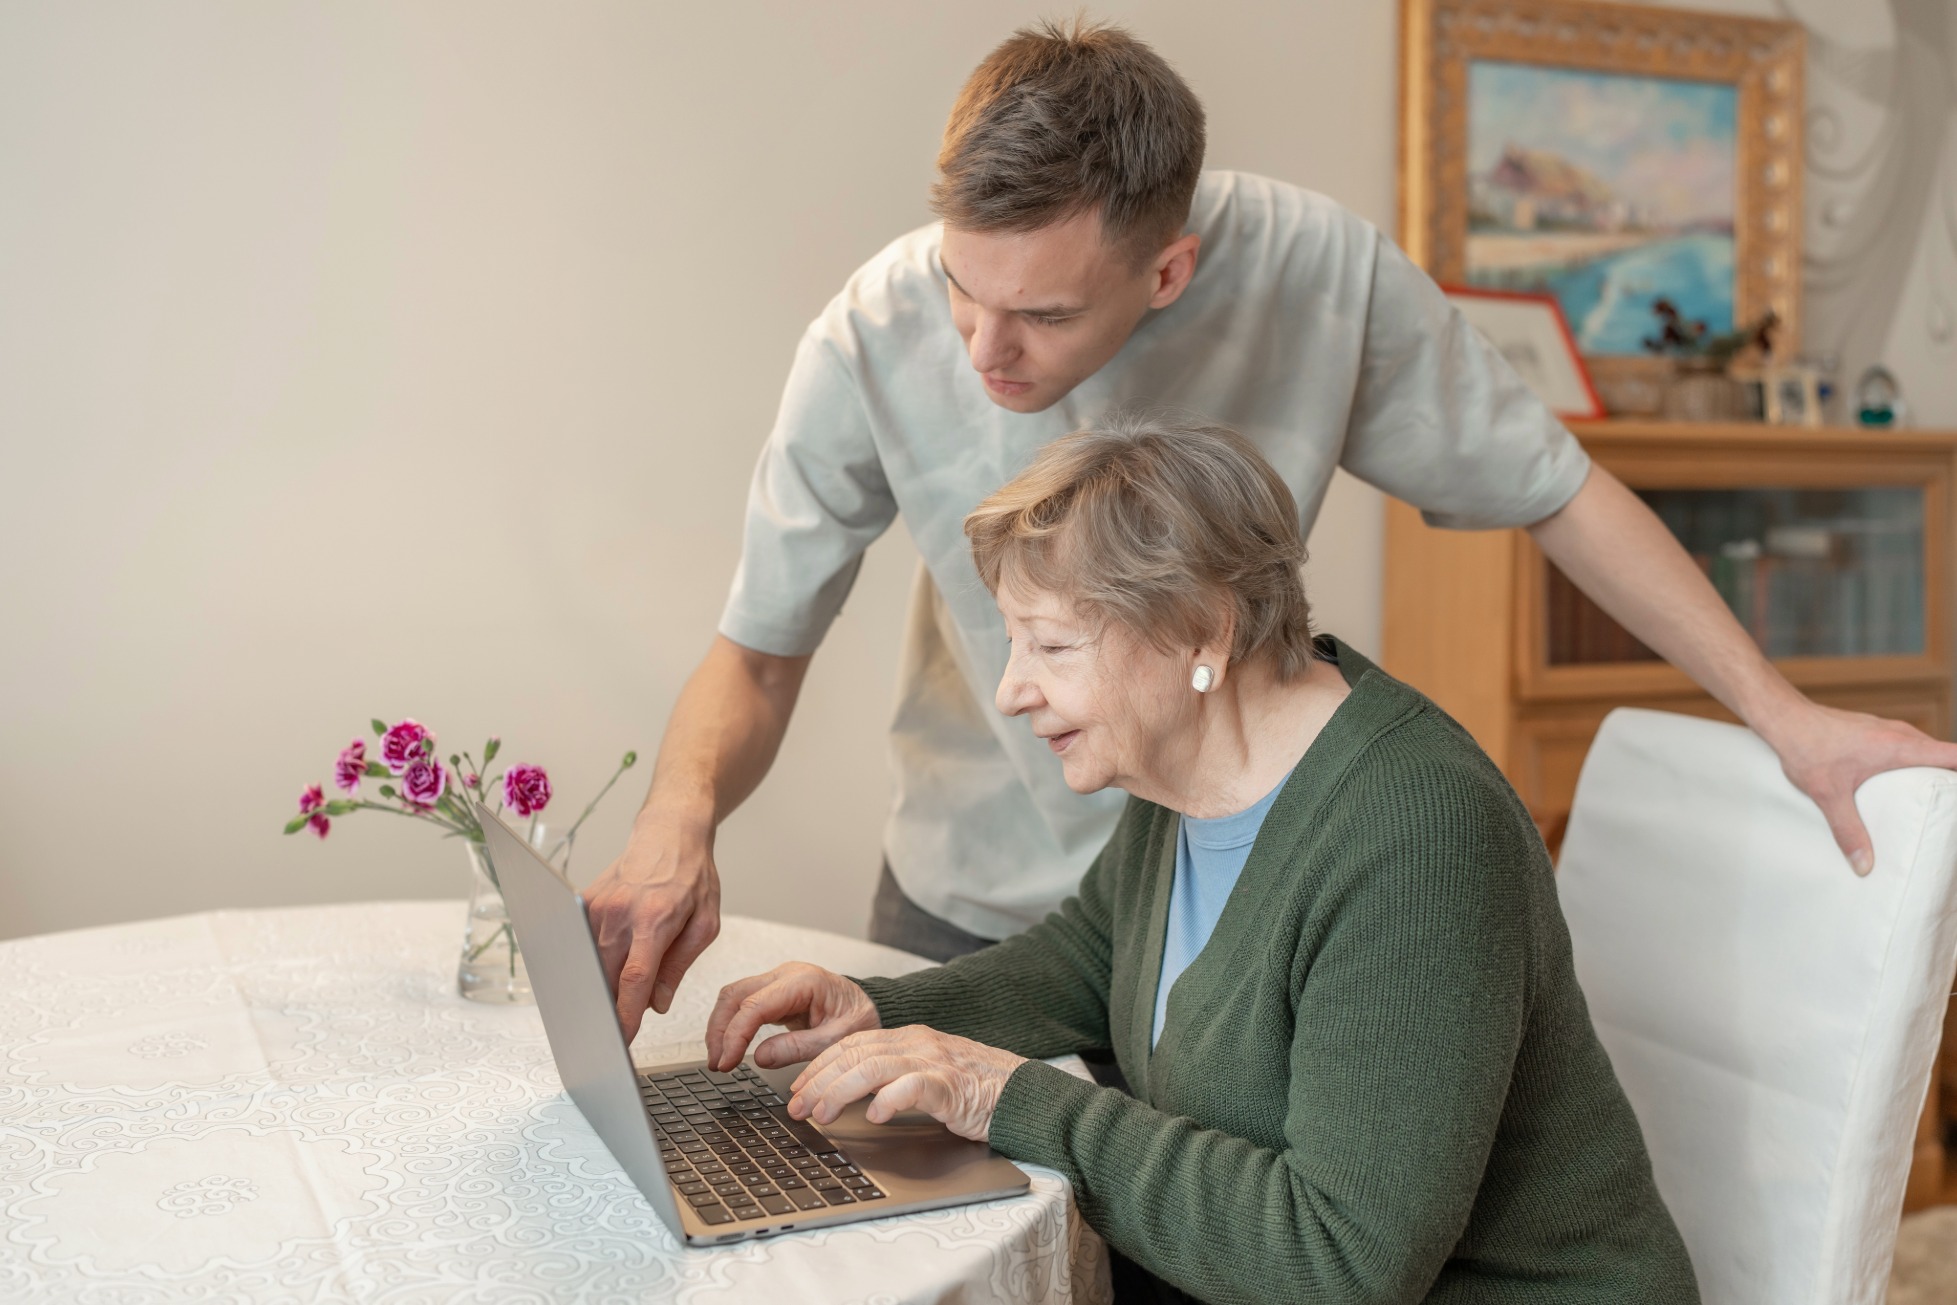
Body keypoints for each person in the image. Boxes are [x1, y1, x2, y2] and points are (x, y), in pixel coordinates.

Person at [587, 18, 1957, 1038]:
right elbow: (758, 649)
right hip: (976, 892)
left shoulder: (1320, 276)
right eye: (963, 287)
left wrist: (1787, 716)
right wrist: (676, 820)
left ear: (1170, 268)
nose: (985, 349)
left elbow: (1557, 489)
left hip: (1235, 898)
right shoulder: (878, 329)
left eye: (1047, 315)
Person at [705, 417, 1702, 1304]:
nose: (1011, 691)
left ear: (1200, 634)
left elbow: (1342, 1261)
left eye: (1050, 647)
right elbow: (1091, 961)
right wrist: (882, 1008)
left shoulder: (1415, 837)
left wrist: (1002, 1095)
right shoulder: (1186, 764)